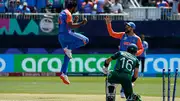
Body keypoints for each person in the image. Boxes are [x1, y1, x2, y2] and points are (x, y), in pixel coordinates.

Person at [105, 16, 144, 98]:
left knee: (127, 74)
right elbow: (112, 33)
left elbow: (141, 49)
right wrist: (108, 23)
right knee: (117, 72)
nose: (126, 27)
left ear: (132, 28)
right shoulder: (123, 35)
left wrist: (135, 54)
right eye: (126, 26)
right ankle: (112, 92)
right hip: (121, 59)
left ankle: (123, 90)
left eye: (128, 26)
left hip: (130, 60)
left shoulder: (137, 38)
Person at [58, 2, 89, 85]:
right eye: (75, 8)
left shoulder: (62, 12)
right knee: (85, 40)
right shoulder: (68, 13)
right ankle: (69, 48)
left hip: (61, 37)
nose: (76, 10)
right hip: (67, 34)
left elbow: (66, 25)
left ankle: (63, 73)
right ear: (72, 7)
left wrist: (74, 21)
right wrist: (82, 23)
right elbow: (71, 26)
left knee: (68, 54)